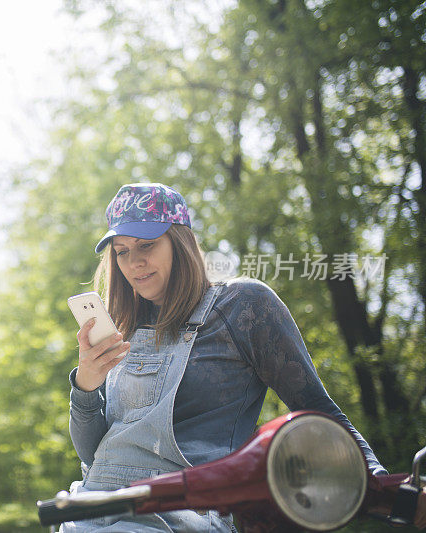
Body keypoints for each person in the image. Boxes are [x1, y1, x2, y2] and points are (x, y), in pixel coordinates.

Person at [62, 183, 410, 532]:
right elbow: (94, 456)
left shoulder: (243, 306)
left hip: (180, 518)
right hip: (92, 510)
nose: (134, 262)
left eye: (147, 245)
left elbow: (320, 413)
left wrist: (388, 489)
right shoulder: (120, 330)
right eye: (121, 252)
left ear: (180, 242)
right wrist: (86, 386)